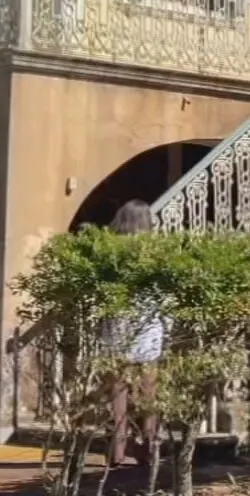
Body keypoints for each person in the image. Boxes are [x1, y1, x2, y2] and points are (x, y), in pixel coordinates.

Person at [105, 200, 163, 469]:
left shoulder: (110, 249)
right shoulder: (153, 250)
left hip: (118, 326)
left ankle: (117, 451)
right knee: (148, 392)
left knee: (118, 393)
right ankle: (149, 449)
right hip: (147, 326)